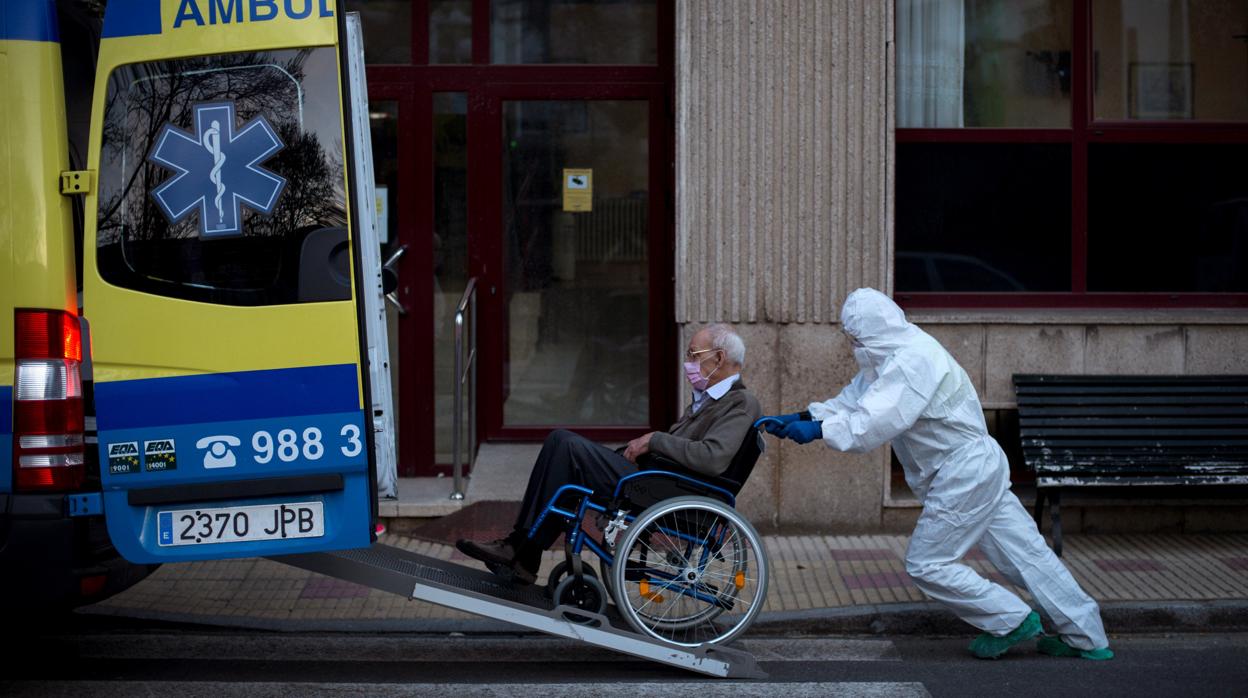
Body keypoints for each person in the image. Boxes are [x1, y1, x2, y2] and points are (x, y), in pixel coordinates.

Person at [761, 288, 1112, 661]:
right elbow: (855, 400)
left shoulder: (914, 360)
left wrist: (819, 430)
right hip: (974, 469)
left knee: (927, 563)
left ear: (873, 333)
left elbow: (874, 419)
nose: (853, 345)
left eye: (856, 338)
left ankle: (1009, 619)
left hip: (965, 474)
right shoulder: (889, 354)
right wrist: (805, 416)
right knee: (1028, 555)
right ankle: (1087, 637)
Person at [457, 323, 762, 585]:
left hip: (671, 490)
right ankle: (523, 550)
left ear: (719, 358)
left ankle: (522, 551)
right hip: (657, 480)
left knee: (566, 445)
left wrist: (654, 440)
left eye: (693, 354)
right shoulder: (708, 399)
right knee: (561, 449)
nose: (688, 363)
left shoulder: (740, 403)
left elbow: (712, 457)